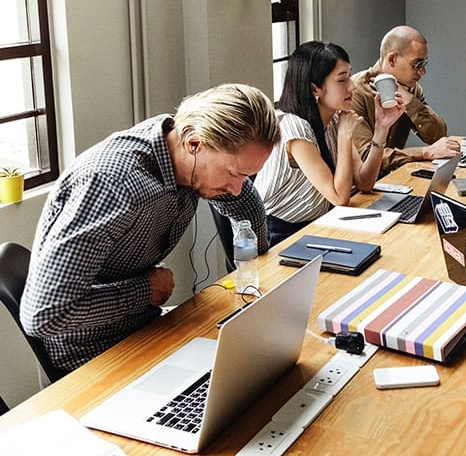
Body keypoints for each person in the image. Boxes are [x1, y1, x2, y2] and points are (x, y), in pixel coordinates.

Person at [20, 84, 280, 374]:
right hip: (91, 356)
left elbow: (244, 201)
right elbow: (44, 315)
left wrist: (258, 261)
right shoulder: (111, 186)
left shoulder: (180, 147)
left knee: (260, 367)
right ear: (194, 144)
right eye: (233, 173)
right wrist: (145, 290)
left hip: (144, 325)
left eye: (247, 175)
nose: (235, 188)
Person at [255, 41, 405, 246]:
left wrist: (381, 128)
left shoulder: (335, 118)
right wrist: (344, 137)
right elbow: (339, 198)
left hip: (318, 222)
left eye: (349, 76)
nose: (352, 86)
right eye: (342, 79)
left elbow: (364, 182)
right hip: (280, 233)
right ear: (314, 89)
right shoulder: (295, 129)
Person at [351, 25, 461, 176]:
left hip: (392, 178)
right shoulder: (355, 91)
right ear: (392, 59)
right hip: (361, 188)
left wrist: (410, 101)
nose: (422, 72)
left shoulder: (411, 88)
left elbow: (438, 136)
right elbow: (366, 157)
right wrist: (424, 153)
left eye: (424, 64)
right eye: (417, 64)